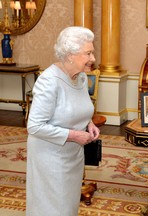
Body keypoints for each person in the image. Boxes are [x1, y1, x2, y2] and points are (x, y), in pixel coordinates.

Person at [26, 26, 100, 216]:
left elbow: (79, 107)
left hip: (73, 154)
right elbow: (34, 126)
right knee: (52, 207)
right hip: (50, 156)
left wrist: (89, 123)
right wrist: (74, 135)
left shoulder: (80, 76)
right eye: (88, 53)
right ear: (70, 55)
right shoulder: (49, 81)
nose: (93, 58)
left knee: (68, 205)